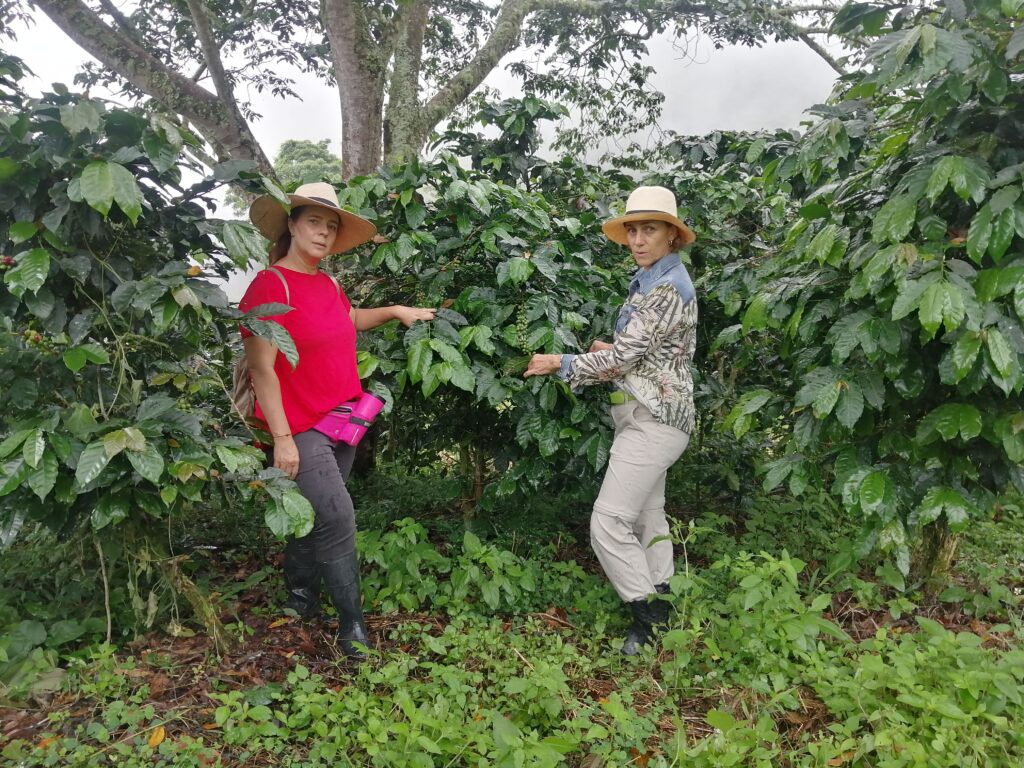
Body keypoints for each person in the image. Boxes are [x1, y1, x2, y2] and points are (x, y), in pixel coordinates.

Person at [240, 182, 434, 658]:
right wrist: (282, 440)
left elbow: (346, 322)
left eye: (330, 227)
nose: (323, 234)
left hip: (341, 419)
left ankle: (301, 596)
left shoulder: (327, 282)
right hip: (300, 425)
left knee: (316, 515)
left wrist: (393, 311)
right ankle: (352, 625)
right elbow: (263, 370)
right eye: (313, 223)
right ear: (291, 225)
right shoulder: (271, 286)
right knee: (339, 515)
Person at [524, 186, 697, 655]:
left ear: (672, 236)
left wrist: (560, 362)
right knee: (647, 516)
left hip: (655, 419)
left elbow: (625, 359)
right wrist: (613, 354)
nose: (639, 239)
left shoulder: (664, 287)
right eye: (634, 230)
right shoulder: (650, 280)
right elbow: (646, 352)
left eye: (650, 229)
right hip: (647, 413)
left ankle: (648, 615)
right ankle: (663, 593)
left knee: (608, 523)